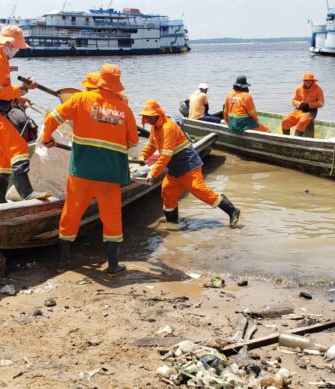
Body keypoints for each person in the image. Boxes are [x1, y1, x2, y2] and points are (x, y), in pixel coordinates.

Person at [41, 64, 139, 274]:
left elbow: (51, 119)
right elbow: (132, 141)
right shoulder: (124, 109)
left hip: (82, 172)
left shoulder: (79, 100)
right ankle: (113, 265)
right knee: (112, 218)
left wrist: (47, 138)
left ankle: (63, 261)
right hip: (110, 175)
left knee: (71, 213)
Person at [138, 100, 241, 228]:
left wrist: (153, 173)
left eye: (149, 116)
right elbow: (152, 144)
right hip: (175, 168)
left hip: (188, 165)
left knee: (199, 191)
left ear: (157, 114)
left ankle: (232, 210)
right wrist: (143, 155)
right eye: (145, 116)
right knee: (167, 192)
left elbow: (165, 155)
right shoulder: (155, 127)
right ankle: (172, 223)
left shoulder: (168, 127)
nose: (147, 119)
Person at [0, 25, 46, 204]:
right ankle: (27, 193)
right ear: (8, 43)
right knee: (19, 147)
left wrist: (17, 97)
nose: (17, 50)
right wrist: (23, 89)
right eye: (17, 47)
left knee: (5, 156)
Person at [281, 73, 325, 137]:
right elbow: (293, 100)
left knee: (302, 121)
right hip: (299, 109)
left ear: (313, 81)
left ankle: (296, 139)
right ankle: (286, 139)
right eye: (306, 80)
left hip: (311, 111)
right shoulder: (298, 89)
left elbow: (321, 103)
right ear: (304, 81)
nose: (307, 82)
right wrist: (299, 104)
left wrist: (309, 105)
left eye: (309, 80)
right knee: (285, 121)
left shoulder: (318, 89)